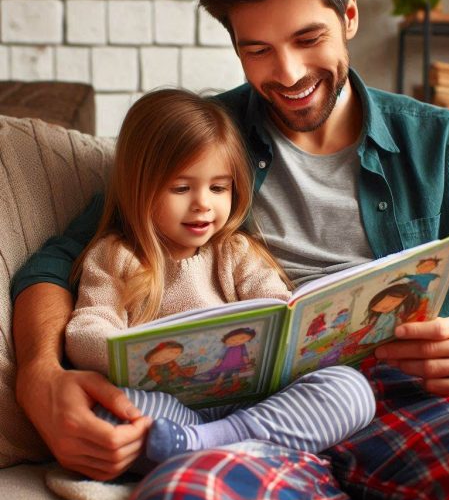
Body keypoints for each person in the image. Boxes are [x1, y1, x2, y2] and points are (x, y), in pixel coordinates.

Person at [10, 0, 449, 500]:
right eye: (257, 49)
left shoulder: (441, 146)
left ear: (348, 15)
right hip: (247, 415)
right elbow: (59, 262)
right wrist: (39, 378)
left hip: (419, 397)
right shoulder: (199, 138)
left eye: (308, 38)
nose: (288, 74)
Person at [63, 88, 375, 465]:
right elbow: (85, 331)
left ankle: (205, 443)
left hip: (254, 402)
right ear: (138, 187)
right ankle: (226, 445)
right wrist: (129, 355)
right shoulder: (117, 257)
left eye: (218, 187)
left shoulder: (235, 253)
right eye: (181, 188)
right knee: (105, 412)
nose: (202, 204)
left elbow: (280, 309)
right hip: (171, 408)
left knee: (352, 391)